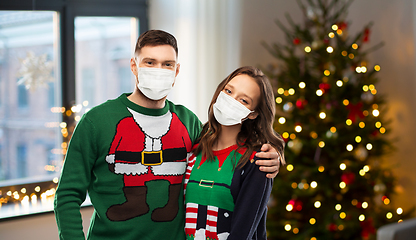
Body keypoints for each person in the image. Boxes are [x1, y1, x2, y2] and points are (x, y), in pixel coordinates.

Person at [54, 30, 281, 240]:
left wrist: (274, 155)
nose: (158, 70)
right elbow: (67, 196)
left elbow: (227, 146)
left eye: (167, 64)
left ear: (176, 70)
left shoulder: (188, 122)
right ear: (134, 66)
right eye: (150, 62)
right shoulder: (96, 121)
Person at [184, 66, 285, 240]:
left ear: (253, 114)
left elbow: (243, 232)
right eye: (228, 91)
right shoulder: (193, 147)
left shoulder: (257, 161)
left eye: (244, 100)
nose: (231, 100)